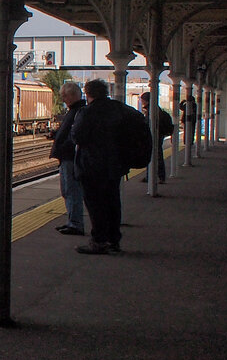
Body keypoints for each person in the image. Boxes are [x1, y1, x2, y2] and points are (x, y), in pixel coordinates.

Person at [70, 78, 129, 255]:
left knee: (96, 205)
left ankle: (98, 241)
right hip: (114, 165)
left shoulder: (87, 112)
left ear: (88, 94)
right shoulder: (119, 109)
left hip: (92, 166)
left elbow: (77, 136)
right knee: (112, 202)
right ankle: (113, 240)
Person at [49, 81, 85, 235]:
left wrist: (62, 146)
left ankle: (75, 224)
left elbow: (75, 135)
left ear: (73, 95)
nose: (63, 99)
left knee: (72, 190)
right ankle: (72, 221)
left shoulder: (78, 112)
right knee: (68, 191)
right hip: (67, 157)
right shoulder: (74, 111)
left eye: (64, 96)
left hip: (70, 158)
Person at [138, 91, 172, 183]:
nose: (142, 102)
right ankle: (153, 176)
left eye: (142, 100)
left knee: (155, 156)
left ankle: (157, 177)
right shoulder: (156, 108)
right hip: (159, 135)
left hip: (155, 135)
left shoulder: (151, 110)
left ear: (146, 100)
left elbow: (148, 123)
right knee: (156, 155)